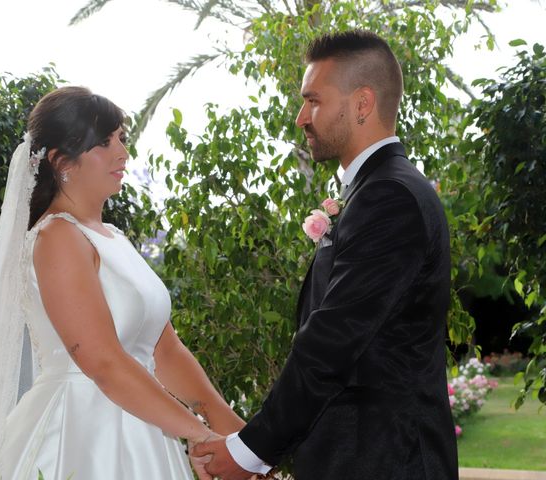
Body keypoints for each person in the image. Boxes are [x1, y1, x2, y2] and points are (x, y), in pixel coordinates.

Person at [0, 86, 244, 479]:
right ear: (61, 161)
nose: (122, 153)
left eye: (121, 139)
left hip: (144, 426)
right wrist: (199, 435)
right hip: (80, 433)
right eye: (103, 143)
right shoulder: (57, 237)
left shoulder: (114, 237)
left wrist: (237, 436)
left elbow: (165, 350)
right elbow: (102, 362)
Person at [193, 30, 459, 479]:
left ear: (361, 104)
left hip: (383, 461)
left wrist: (248, 451)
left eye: (313, 100)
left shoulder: (389, 196)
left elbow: (332, 341)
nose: (301, 117)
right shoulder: (376, 189)